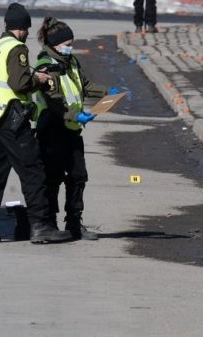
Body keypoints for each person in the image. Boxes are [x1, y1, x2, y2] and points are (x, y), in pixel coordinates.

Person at [0, 3, 72, 244]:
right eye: (27, 29)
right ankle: (40, 225)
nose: (28, 34)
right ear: (21, 29)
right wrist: (38, 79)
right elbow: (19, 84)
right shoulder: (16, 47)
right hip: (12, 117)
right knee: (32, 170)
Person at [34, 17, 119, 240]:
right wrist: (76, 115)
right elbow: (53, 101)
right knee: (52, 178)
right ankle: (49, 224)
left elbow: (85, 85)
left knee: (78, 176)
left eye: (72, 43)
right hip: (52, 128)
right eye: (67, 43)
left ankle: (74, 223)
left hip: (72, 129)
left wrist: (107, 91)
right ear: (55, 44)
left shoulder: (70, 61)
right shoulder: (45, 66)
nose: (71, 47)